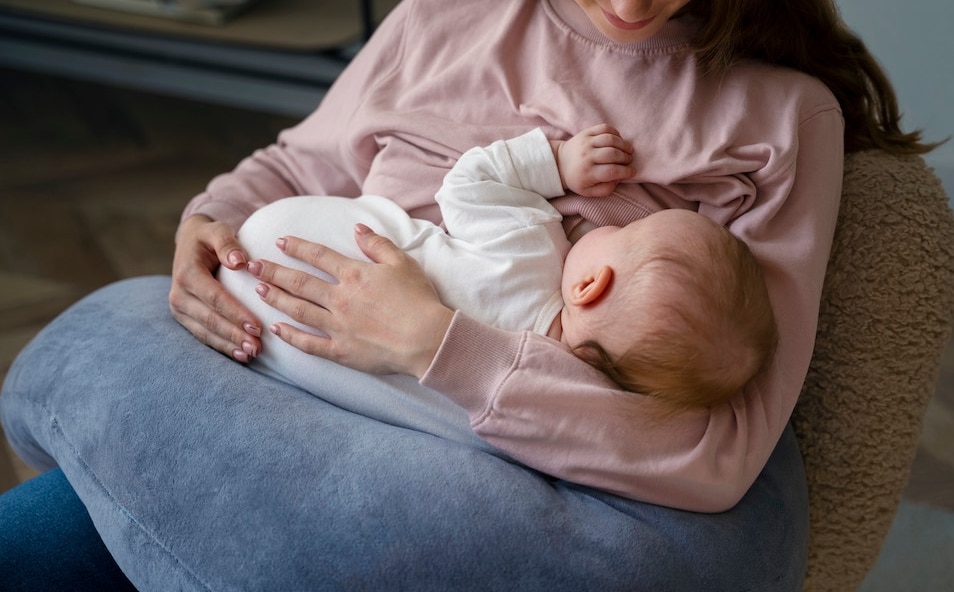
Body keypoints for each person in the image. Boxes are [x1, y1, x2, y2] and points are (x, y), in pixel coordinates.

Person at [0, 1, 938, 590]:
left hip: (529, 460)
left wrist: (433, 343)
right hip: (298, 371)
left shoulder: (777, 116)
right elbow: (300, 161)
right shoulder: (444, 19)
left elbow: (718, 436)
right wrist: (207, 221)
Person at [222, 125, 777, 416]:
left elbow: (468, 182)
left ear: (588, 285)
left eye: (626, 231)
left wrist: (556, 163)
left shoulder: (532, 252)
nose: (609, 224)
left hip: (275, 245)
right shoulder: (555, 389)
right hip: (290, 360)